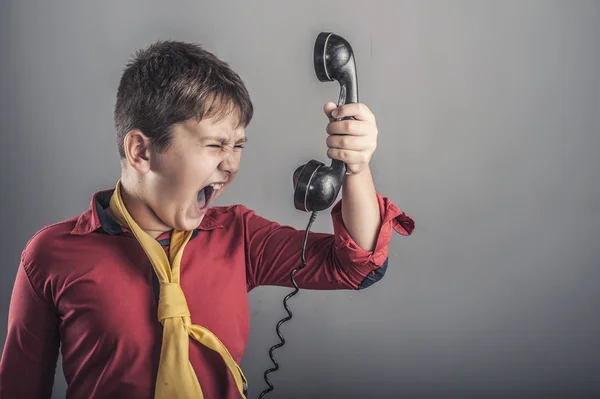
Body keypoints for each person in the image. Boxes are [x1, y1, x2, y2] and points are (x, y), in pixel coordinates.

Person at [0, 40, 415, 399]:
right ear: (141, 152)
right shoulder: (51, 256)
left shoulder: (240, 236)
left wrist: (355, 168)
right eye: (216, 144)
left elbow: (357, 266)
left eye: (238, 146)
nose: (231, 165)